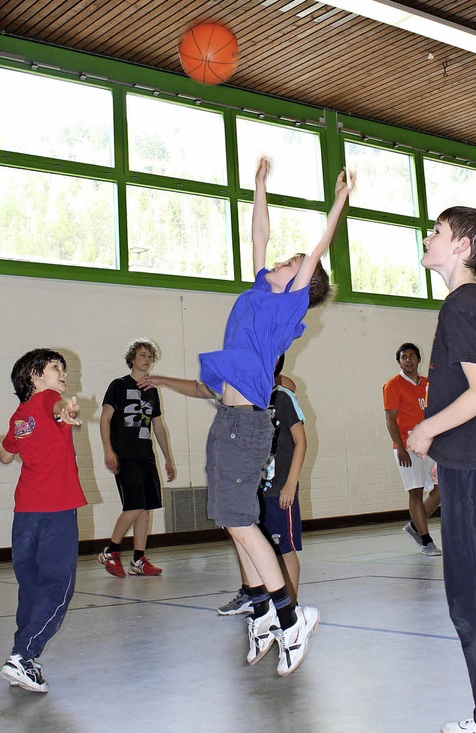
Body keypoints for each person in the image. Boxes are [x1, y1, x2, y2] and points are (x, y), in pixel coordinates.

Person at [138, 158, 353, 677]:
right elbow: (258, 234)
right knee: (232, 523)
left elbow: (319, 247)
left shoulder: (287, 307)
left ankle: (289, 616)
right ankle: (261, 613)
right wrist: (257, 186)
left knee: (240, 522)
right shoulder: (260, 291)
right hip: (225, 421)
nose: (282, 260)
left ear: (302, 280)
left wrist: (339, 201)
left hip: (247, 425)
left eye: (294, 262)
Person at [407, 207, 476, 733]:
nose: (428, 238)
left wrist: (426, 432)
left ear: (464, 247)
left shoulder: (461, 306)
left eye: (439, 232)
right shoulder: (473, 306)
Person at [0, 348, 86, 693]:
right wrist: (64, 408)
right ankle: (22, 656)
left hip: (25, 516)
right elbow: (54, 405)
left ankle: (22, 659)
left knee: (31, 590)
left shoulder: (19, 417)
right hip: (56, 511)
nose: (63, 374)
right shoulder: (47, 401)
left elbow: (5, 455)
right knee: (58, 587)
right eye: (56, 367)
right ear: (35, 376)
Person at [217, 356, 306, 614]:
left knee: (284, 549)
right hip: (253, 491)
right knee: (254, 545)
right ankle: (257, 599)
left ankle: (291, 608)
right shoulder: (248, 403)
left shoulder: (283, 398)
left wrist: (290, 483)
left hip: (279, 490)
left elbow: (301, 442)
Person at [98, 338, 175, 577]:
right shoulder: (119, 385)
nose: (147, 358)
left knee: (146, 508)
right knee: (134, 505)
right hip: (125, 454)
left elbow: (158, 426)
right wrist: (108, 449)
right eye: (142, 354)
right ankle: (110, 550)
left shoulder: (152, 390)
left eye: (150, 355)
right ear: (132, 359)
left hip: (146, 456)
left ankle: (138, 559)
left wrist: (168, 458)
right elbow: (105, 418)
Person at [383, 342, 441, 556]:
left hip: (430, 444)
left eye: (412, 356)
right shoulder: (393, 384)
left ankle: (416, 526)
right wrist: (400, 447)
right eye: (404, 357)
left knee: (442, 488)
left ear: (419, 359)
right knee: (415, 491)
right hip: (407, 445)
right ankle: (426, 541)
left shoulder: (427, 384)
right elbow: (390, 419)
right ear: (399, 361)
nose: (409, 360)